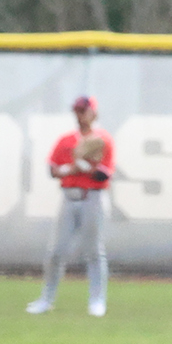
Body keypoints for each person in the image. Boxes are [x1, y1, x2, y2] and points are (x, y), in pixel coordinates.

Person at [26, 95, 112, 317]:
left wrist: (84, 166)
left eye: (83, 111)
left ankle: (97, 301)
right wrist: (73, 168)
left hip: (93, 197)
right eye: (77, 111)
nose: (79, 115)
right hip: (68, 197)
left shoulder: (103, 139)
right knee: (56, 251)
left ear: (94, 113)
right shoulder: (66, 140)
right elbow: (53, 170)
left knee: (94, 252)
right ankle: (46, 300)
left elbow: (104, 174)